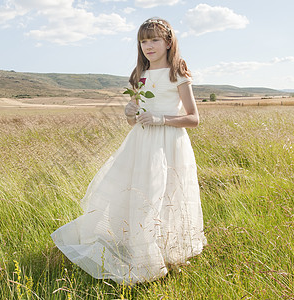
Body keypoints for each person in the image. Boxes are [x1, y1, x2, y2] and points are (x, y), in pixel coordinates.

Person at [51, 17, 207, 285]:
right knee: (140, 193)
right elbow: (134, 117)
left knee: (168, 194)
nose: (149, 45)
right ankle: (143, 252)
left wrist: (162, 119)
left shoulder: (177, 73)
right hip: (142, 142)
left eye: (155, 39)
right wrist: (129, 112)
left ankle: (169, 250)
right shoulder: (140, 75)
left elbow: (194, 118)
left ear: (168, 42)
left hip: (169, 142)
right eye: (144, 41)